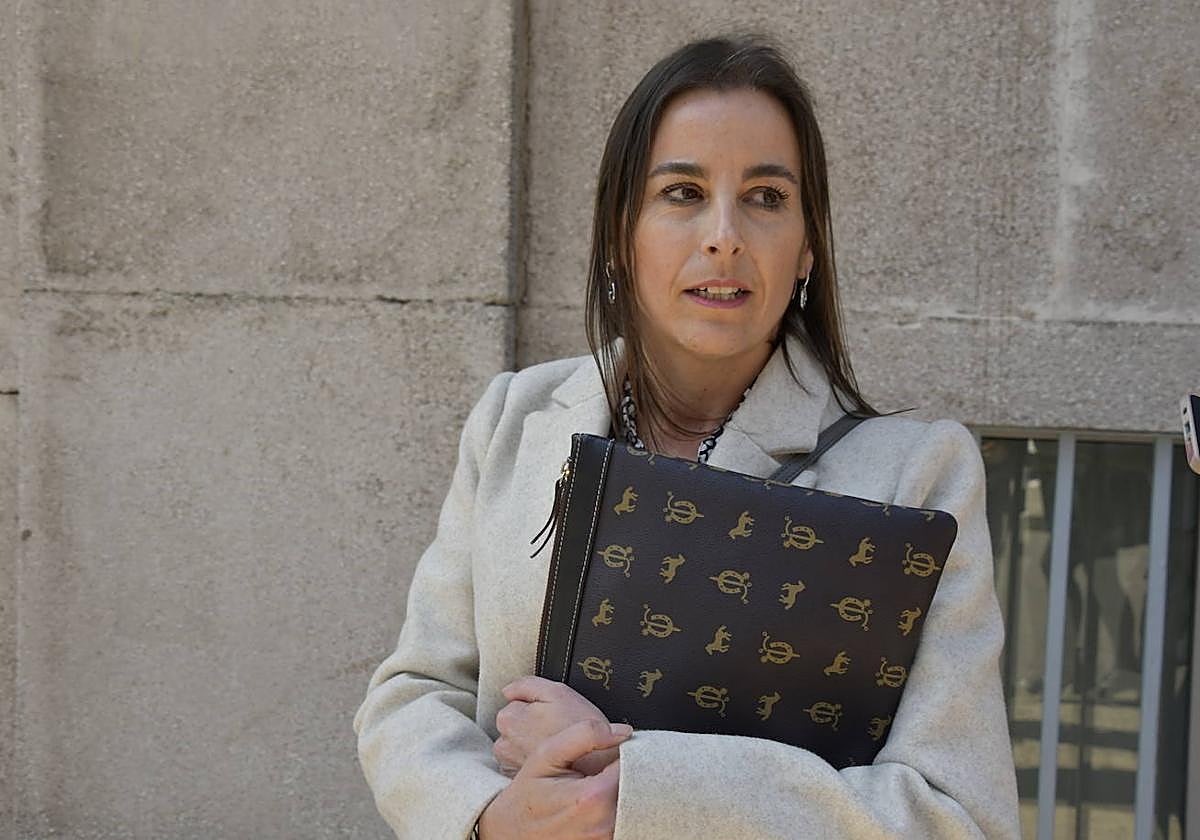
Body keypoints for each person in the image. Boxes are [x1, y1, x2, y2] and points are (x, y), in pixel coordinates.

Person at [353, 33, 1021, 840]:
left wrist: (637, 783)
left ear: (807, 246)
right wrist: (491, 814)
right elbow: (416, 694)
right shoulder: (516, 419)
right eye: (682, 192)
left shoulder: (917, 477)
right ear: (618, 234)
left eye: (766, 197)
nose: (724, 235)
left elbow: (956, 816)